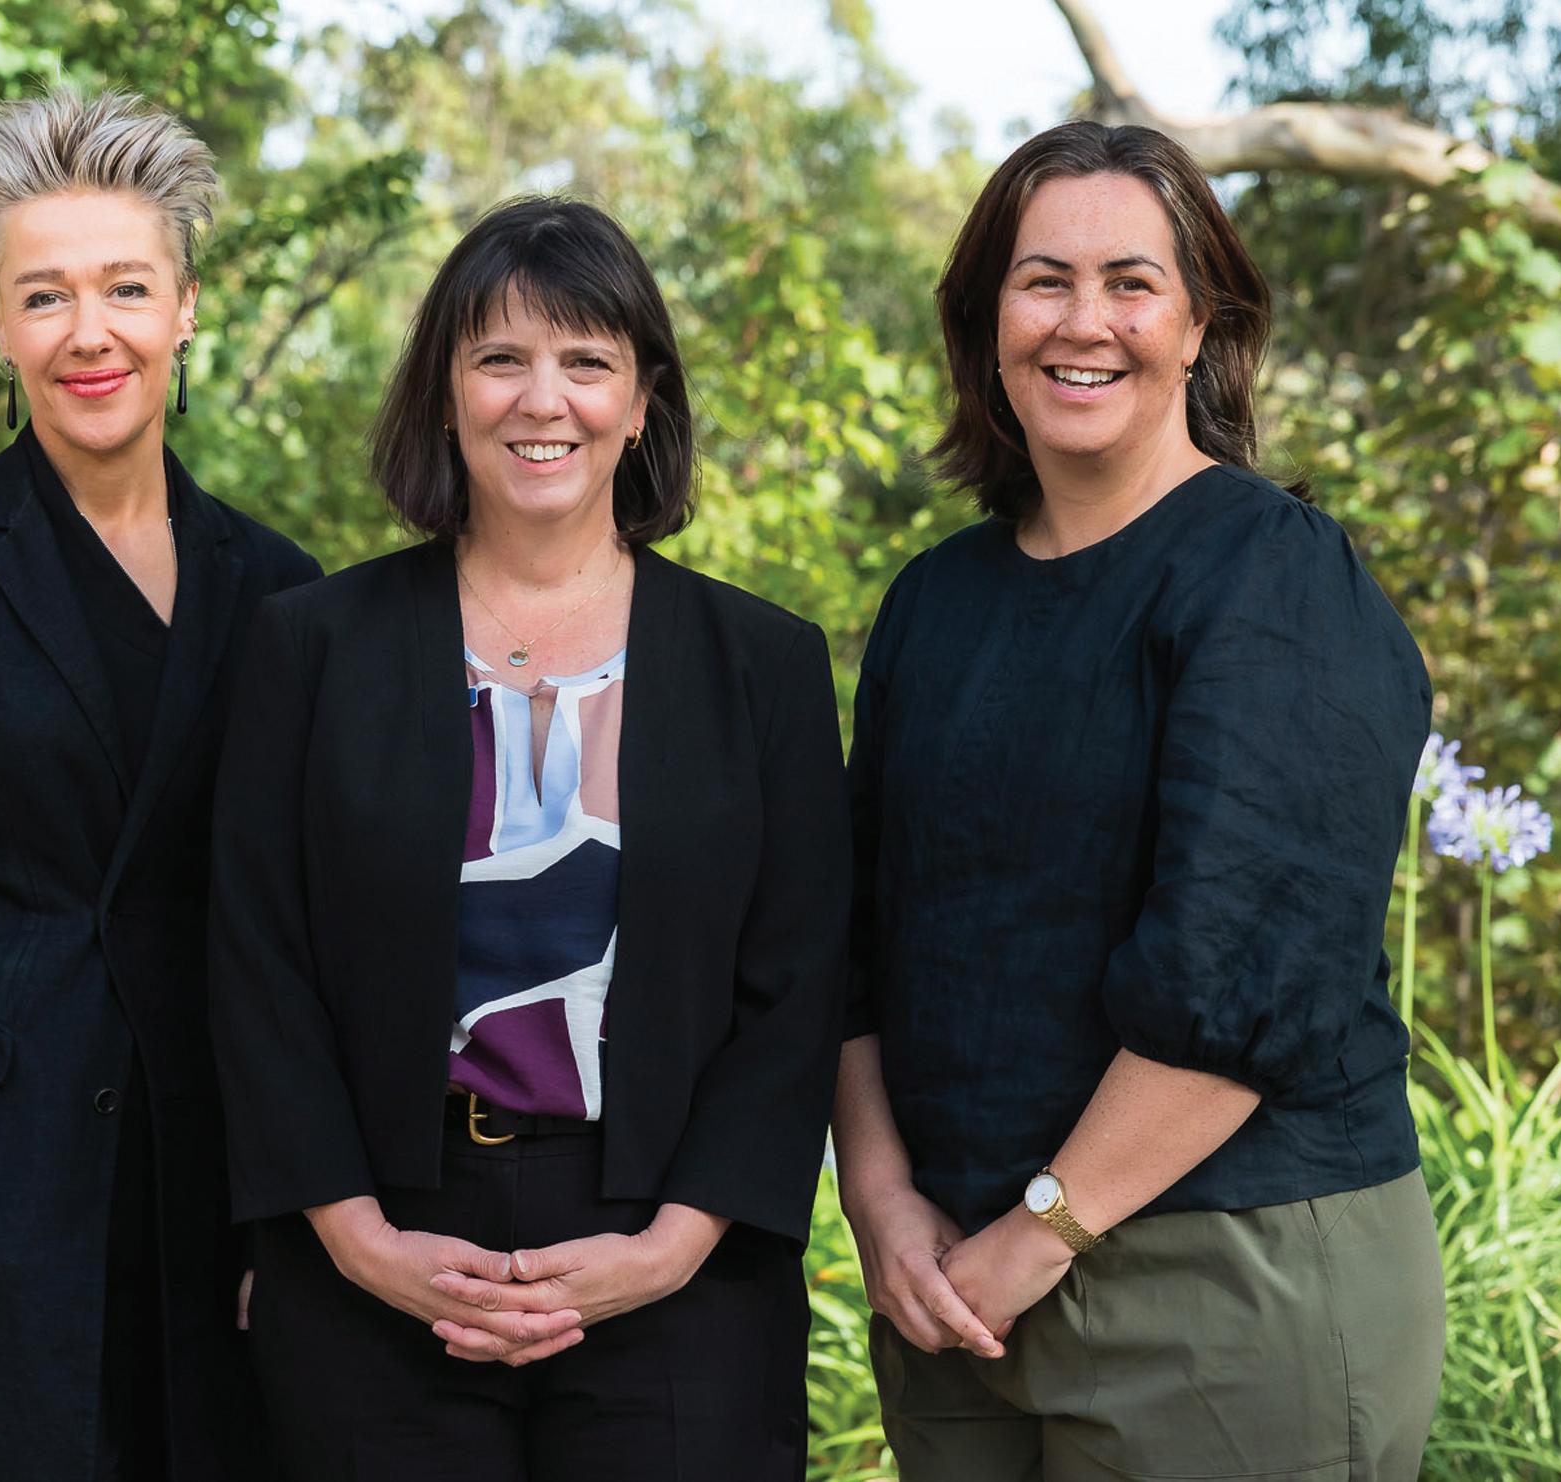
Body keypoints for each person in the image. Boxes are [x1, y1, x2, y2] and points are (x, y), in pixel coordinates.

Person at [836, 120, 1446, 1481]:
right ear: (986, 320)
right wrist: (876, 1199)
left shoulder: (1276, 579)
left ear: (1199, 326)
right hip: (951, 1290)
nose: (1082, 321)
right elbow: (854, 934)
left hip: (1224, 1275)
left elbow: (1248, 965)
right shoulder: (933, 603)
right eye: (1042, 280)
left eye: (1131, 282)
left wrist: (1046, 1228)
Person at [207, 196, 847, 1481]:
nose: (541, 400)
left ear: (643, 400)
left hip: (675, 1263)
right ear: (445, 394)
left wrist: (669, 1246)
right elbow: (254, 958)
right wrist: (357, 1240)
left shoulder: (762, 664)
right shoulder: (311, 647)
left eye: (586, 361)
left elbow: (800, 983)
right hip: (381, 1251)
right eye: (500, 358)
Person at [0, 88, 320, 1481]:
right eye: (44, 295)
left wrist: (295, 1219)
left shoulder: (279, 592)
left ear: (187, 307)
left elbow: (293, 938)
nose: (90, 331)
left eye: (126, 287)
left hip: (206, 1207)